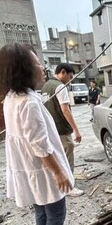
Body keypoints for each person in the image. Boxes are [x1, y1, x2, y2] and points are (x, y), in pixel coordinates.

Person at [0, 43, 76, 225]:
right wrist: (59, 173)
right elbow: (40, 145)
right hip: (42, 168)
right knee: (56, 213)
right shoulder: (28, 103)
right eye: (36, 63)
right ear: (23, 69)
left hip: (30, 167)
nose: (42, 67)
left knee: (42, 210)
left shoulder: (12, 97)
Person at [41, 63, 84, 197]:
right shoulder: (60, 86)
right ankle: (69, 186)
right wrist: (76, 130)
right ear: (63, 72)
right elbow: (65, 110)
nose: (70, 80)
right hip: (61, 128)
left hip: (50, 129)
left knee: (56, 156)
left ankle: (58, 182)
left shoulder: (46, 86)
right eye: (70, 77)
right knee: (67, 153)